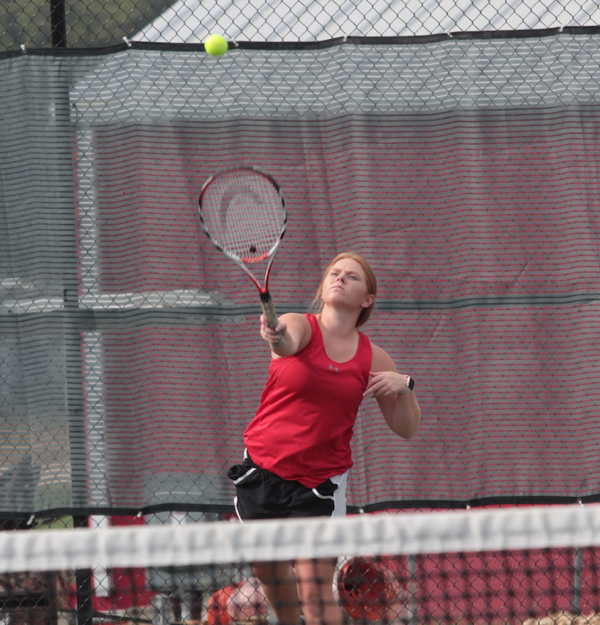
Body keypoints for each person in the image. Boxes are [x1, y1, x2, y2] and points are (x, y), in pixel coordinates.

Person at [227, 252, 421, 625]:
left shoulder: (374, 359)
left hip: (318, 486)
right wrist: (276, 334)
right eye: (335, 272)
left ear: (367, 299)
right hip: (263, 471)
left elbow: (406, 427)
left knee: (314, 594)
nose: (341, 278)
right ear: (324, 285)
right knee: (273, 579)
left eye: (352, 276)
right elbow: (284, 341)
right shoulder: (299, 325)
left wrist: (406, 387)